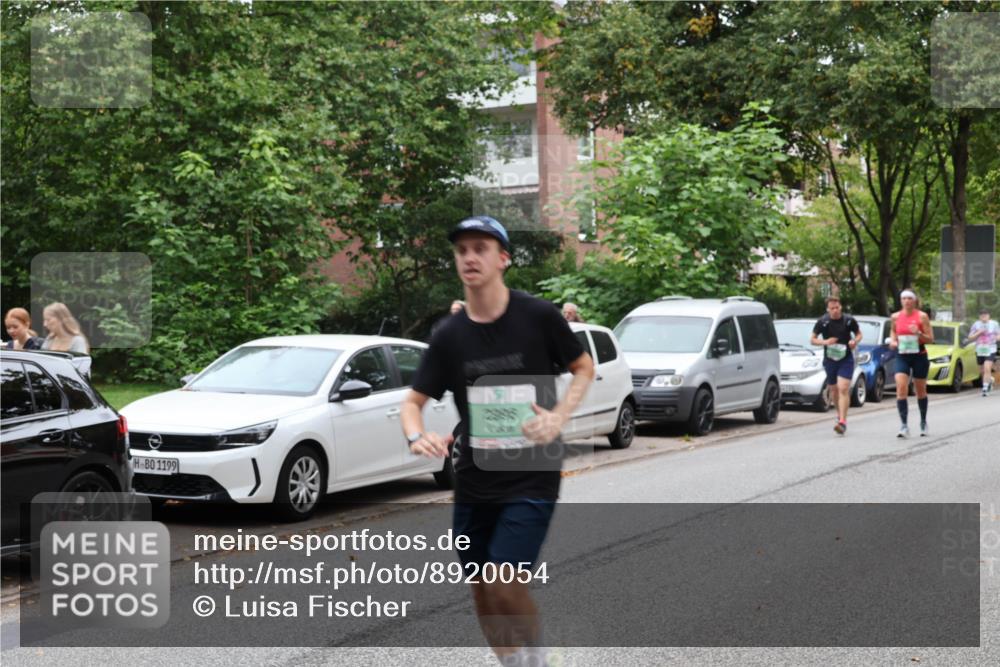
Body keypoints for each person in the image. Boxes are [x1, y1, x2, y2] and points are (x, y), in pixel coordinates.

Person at [400, 215, 594, 667]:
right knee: (483, 589)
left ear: (503, 258)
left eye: (480, 248)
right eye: (462, 249)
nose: (469, 257)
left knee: (504, 581)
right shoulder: (449, 336)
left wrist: (559, 416)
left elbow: (583, 368)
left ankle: (541, 657)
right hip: (475, 478)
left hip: (533, 472)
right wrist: (416, 434)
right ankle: (514, 664)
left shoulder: (538, 317)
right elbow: (413, 402)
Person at [810, 295, 862, 435]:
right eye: (832, 308)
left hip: (845, 359)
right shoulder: (823, 321)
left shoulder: (848, 320)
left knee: (843, 388)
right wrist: (826, 342)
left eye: (837, 307)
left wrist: (854, 341)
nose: (835, 311)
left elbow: (858, 334)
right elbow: (812, 340)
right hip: (830, 359)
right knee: (834, 390)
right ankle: (839, 416)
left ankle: (843, 422)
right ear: (828, 309)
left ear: (841, 307)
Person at [888, 289, 933, 438]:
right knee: (901, 386)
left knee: (920, 390)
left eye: (909, 298)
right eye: (904, 298)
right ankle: (904, 425)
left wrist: (918, 333)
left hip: (919, 355)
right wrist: (893, 341)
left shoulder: (922, 317)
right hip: (902, 355)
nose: (906, 301)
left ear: (914, 300)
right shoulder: (895, 317)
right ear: (901, 301)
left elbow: (930, 339)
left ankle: (923, 421)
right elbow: (893, 332)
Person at [966, 308, 999, 396]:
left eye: (986, 315)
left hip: (991, 349)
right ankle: (990, 380)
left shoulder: (994, 324)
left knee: (987, 367)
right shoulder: (976, 325)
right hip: (980, 349)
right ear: (979, 316)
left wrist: (997, 338)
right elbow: (970, 337)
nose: (984, 317)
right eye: (982, 315)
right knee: (982, 370)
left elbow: (998, 333)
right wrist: (979, 333)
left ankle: (985, 388)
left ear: (989, 316)